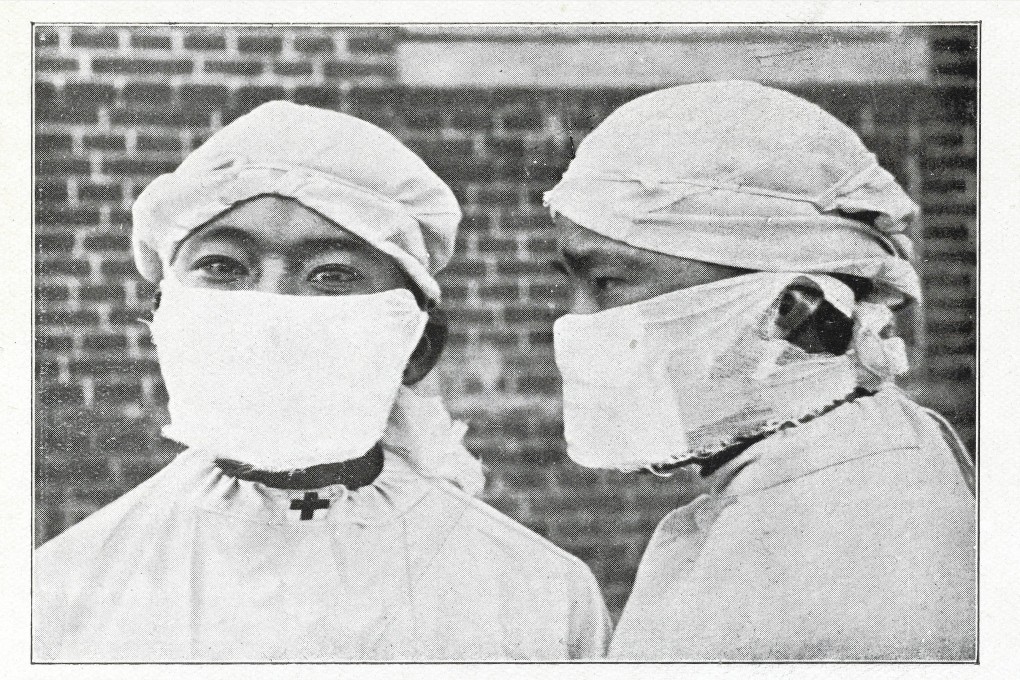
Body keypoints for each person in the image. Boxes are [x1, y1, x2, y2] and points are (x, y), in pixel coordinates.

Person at [34, 101, 611, 662]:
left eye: (330, 274)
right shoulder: (64, 590)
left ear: (416, 347)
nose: (269, 304)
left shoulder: (531, 593)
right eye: (223, 267)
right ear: (165, 318)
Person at [544, 81, 975, 660]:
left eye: (606, 283)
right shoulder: (804, 482)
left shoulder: (849, 544)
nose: (578, 319)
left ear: (789, 308)